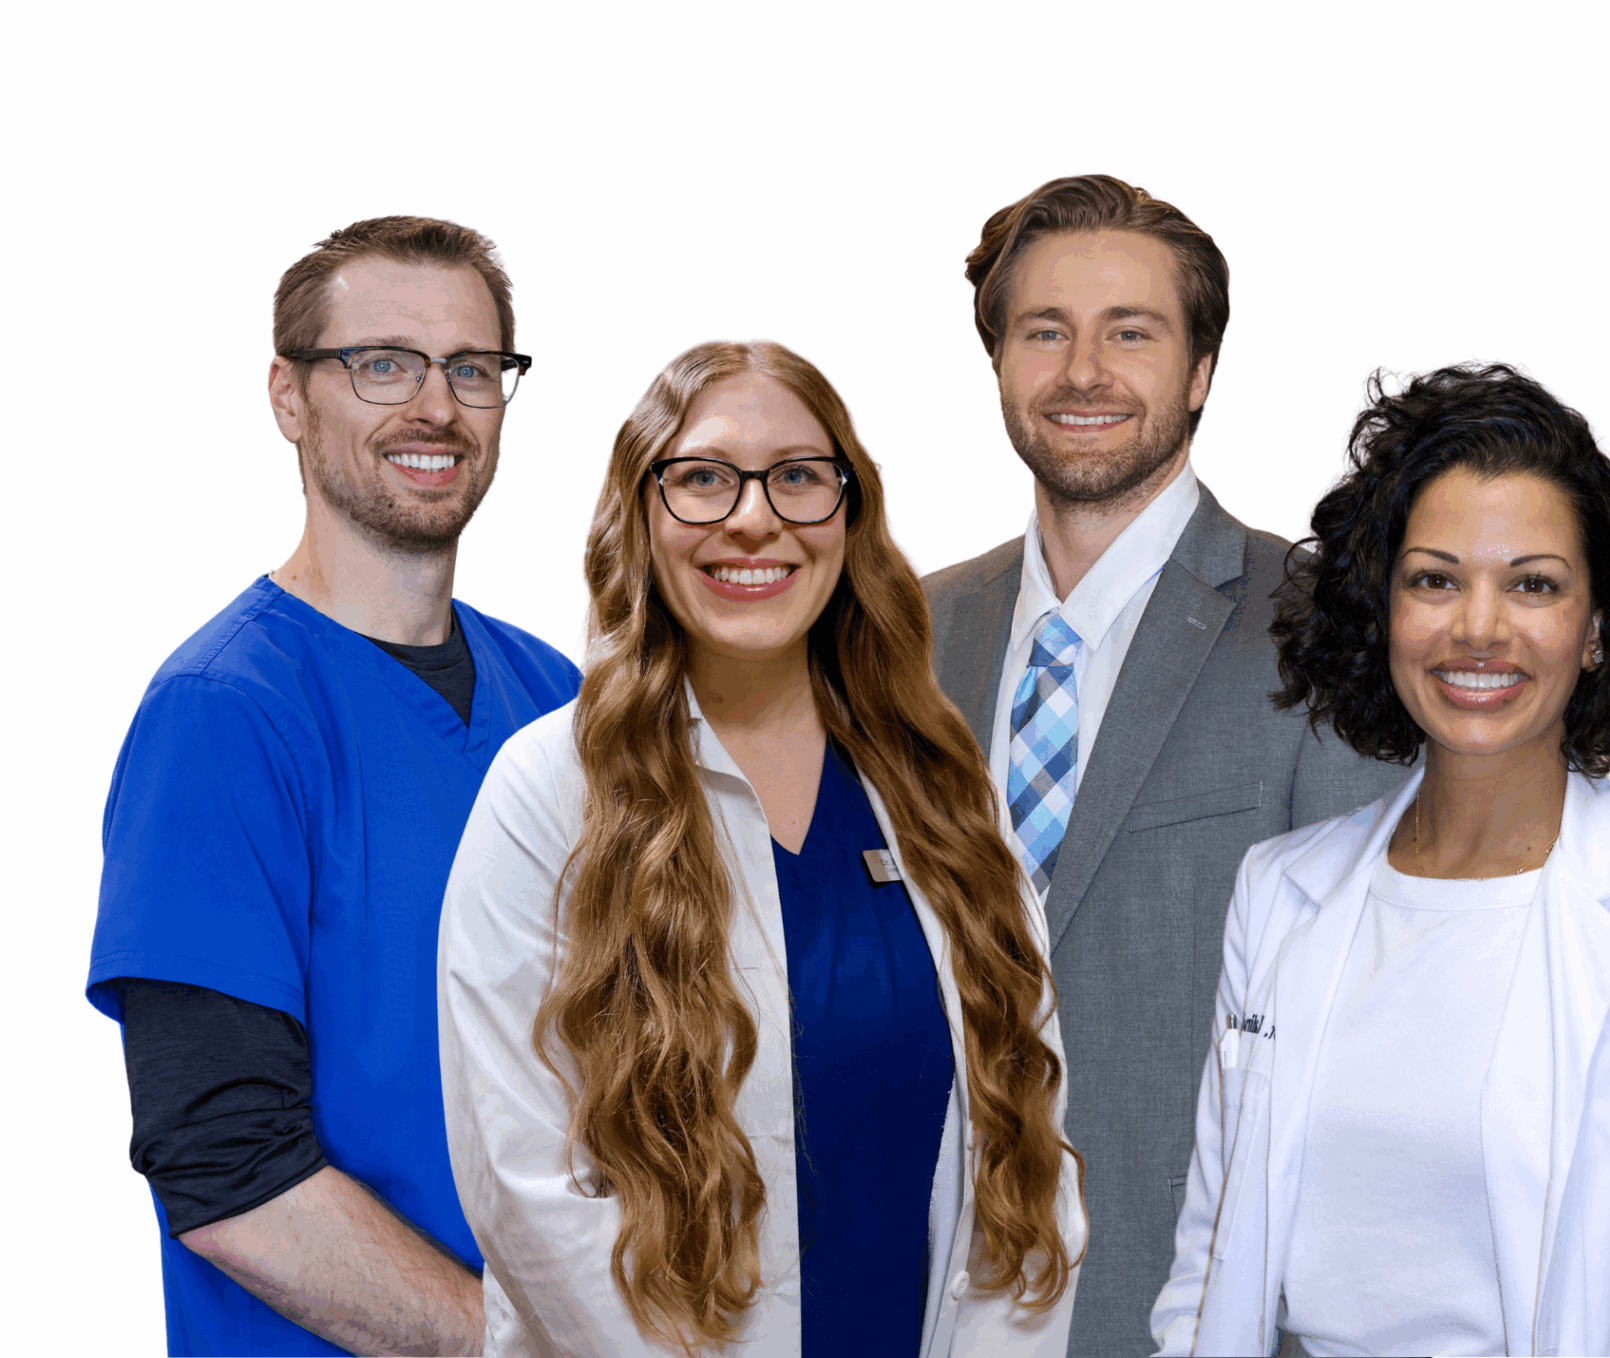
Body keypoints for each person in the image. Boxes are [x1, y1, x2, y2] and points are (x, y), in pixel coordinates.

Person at [438, 340, 1086, 1357]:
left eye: (797, 477)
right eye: (700, 478)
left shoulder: (940, 788)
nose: (753, 516)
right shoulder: (548, 792)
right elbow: (527, 1190)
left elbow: (1029, 1146)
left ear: (849, 516)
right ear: (639, 515)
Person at [1151, 363, 1610, 1357]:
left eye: (1532, 583)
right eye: (1434, 578)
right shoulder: (1280, 892)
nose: (1479, 626)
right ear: (1383, 610)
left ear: (1593, 628)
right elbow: (1208, 1268)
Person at [921, 174, 1404, 1354]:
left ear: (1199, 371)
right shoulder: (905, 634)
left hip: (1185, 1314)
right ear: (998, 364)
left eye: (1129, 332)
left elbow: (1371, 1038)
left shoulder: (1322, 631)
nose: (1083, 371)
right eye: (1045, 332)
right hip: (925, 1299)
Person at [86, 216, 581, 1356]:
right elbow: (224, 1163)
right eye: (382, 363)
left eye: (472, 368)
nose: (436, 407)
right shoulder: (225, 712)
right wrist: (506, 1343)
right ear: (288, 397)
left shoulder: (557, 696)